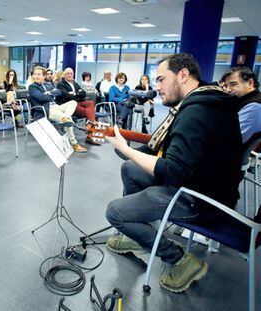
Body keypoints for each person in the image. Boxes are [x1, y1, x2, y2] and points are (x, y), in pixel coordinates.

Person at [105, 53, 242, 293]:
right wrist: (126, 152)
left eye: (160, 79)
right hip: (203, 186)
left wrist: (126, 148)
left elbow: (173, 170)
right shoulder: (206, 100)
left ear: (183, 75)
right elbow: (171, 158)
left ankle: (179, 259)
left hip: (201, 201)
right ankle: (140, 237)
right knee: (130, 168)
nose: (156, 87)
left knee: (115, 212)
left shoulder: (196, 112)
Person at [29, 66, 87, 153]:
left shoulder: (48, 84)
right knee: (67, 119)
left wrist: (48, 93)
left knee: (73, 102)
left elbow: (59, 92)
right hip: (45, 109)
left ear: (43, 76)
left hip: (55, 106)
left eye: (39, 74)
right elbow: (41, 98)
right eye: (35, 75)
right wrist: (51, 95)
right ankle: (74, 143)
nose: (37, 76)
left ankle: (66, 118)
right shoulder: (32, 87)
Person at [56, 67, 99, 146]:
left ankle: (90, 125)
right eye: (68, 73)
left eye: (71, 73)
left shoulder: (75, 83)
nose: (69, 75)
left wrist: (74, 93)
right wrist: (77, 93)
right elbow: (67, 96)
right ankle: (90, 135)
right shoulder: (60, 84)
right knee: (91, 113)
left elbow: (84, 93)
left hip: (79, 102)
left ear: (73, 74)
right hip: (70, 104)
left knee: (91, 103)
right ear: (64, 75)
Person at [221, 66, 261, 144]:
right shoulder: (241, 101)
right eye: (226, 86)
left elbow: (231, 139)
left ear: (250, 83)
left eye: (233, 84)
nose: (228, 90)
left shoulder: (254, 107)